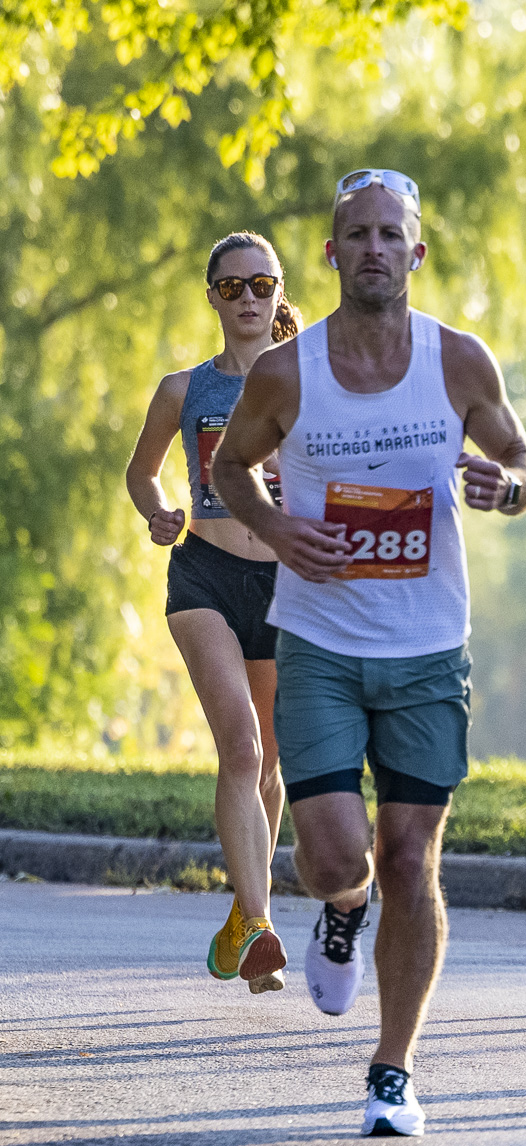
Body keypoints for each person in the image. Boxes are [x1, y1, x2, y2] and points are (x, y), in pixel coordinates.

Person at [212, 169, 526, 1134]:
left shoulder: (458, 362)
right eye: (354, 234)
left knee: (412, 859)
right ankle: (340, 911)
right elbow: (230, 469)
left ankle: (392, 1071)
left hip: (429, 648)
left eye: (389, 234)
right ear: (330, 254)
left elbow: (524, 462)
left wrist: (509, 490)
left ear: (415, 252)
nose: (372, 248)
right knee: (331, 859)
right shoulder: (288, 371)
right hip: (317, 641)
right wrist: (277, 532)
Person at [125, 231, 302, 995]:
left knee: (270, 761)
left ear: (278, 293)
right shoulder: (182, 389)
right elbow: (142, 473)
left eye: (261, 285)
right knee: (238, 745)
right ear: (213, 298)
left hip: (286, 586)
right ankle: (260, 925)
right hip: (203, 576)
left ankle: (241, 913)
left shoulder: (310, 384)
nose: (249, 300)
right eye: (232, 288)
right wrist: (160, 511)